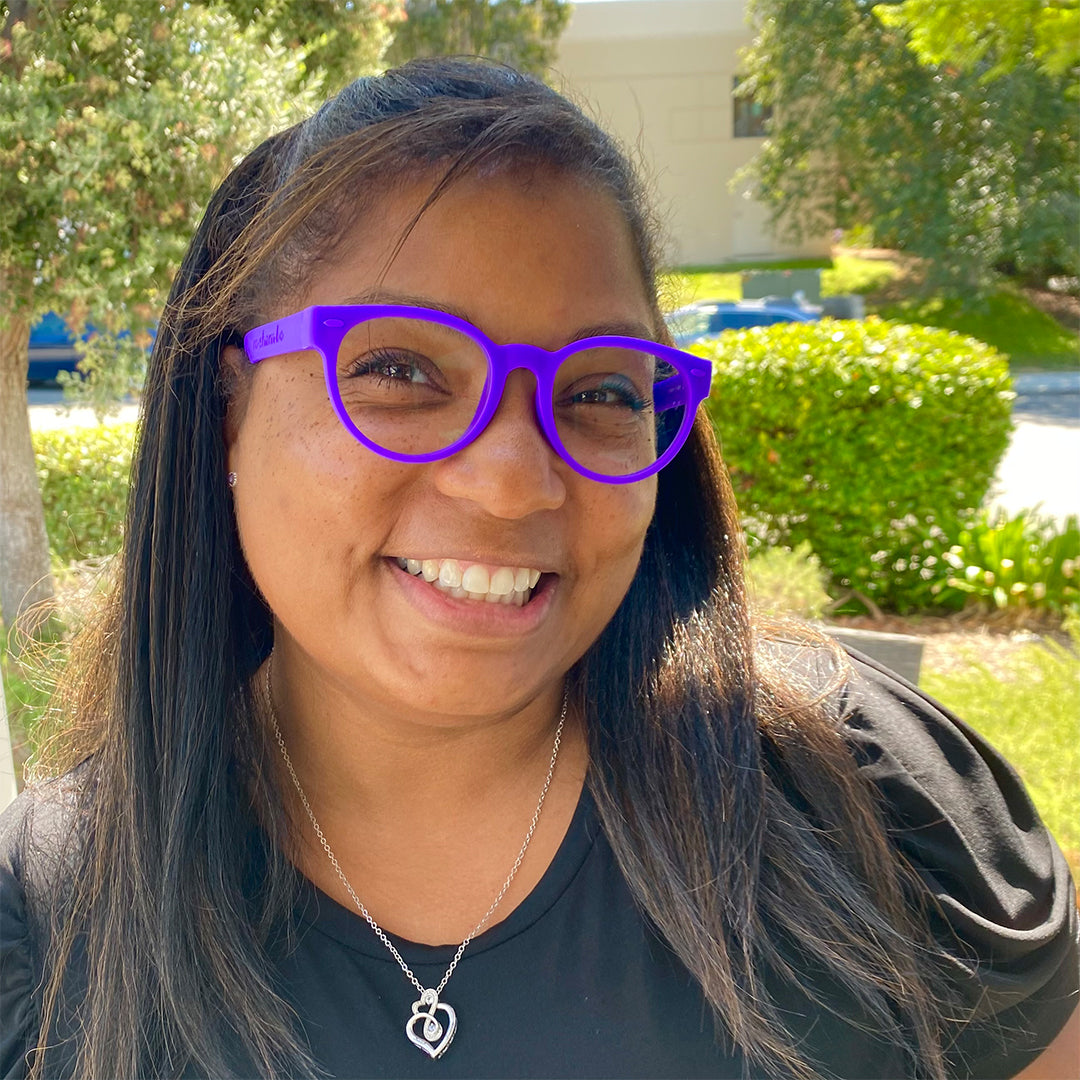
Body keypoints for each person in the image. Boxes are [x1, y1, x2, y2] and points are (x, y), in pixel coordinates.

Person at [0, 58, 1076, 1080]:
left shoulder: (868, 805)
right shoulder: (42, 930)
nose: (514, 482)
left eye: (601, 391)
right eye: (399, 370)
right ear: (228, 410)